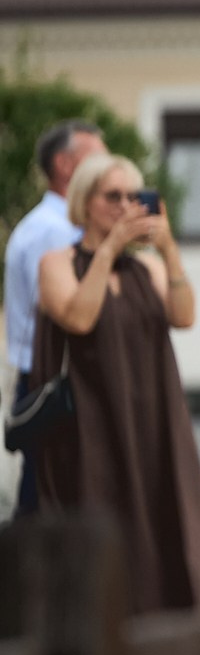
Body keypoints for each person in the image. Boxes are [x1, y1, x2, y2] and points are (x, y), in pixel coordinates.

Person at [28, 154, 200, 612]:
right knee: (99, 520)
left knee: (168, 518)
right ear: (85, 201)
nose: (124, 206)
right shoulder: (55, 264)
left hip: (153, 416)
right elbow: (80, 317)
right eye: (112, 197)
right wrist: (107, 248)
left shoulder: (149, 270)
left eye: (131, 196)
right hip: (89, 422)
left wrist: (169, 249)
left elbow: (185, 316)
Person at [5, 119, 107, 517]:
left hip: (48, 382)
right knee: (50, 503)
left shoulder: (54, 225)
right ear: (66, 165)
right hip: (52, 384)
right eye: (97, 160)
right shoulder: (54, 231)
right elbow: (76, 315)